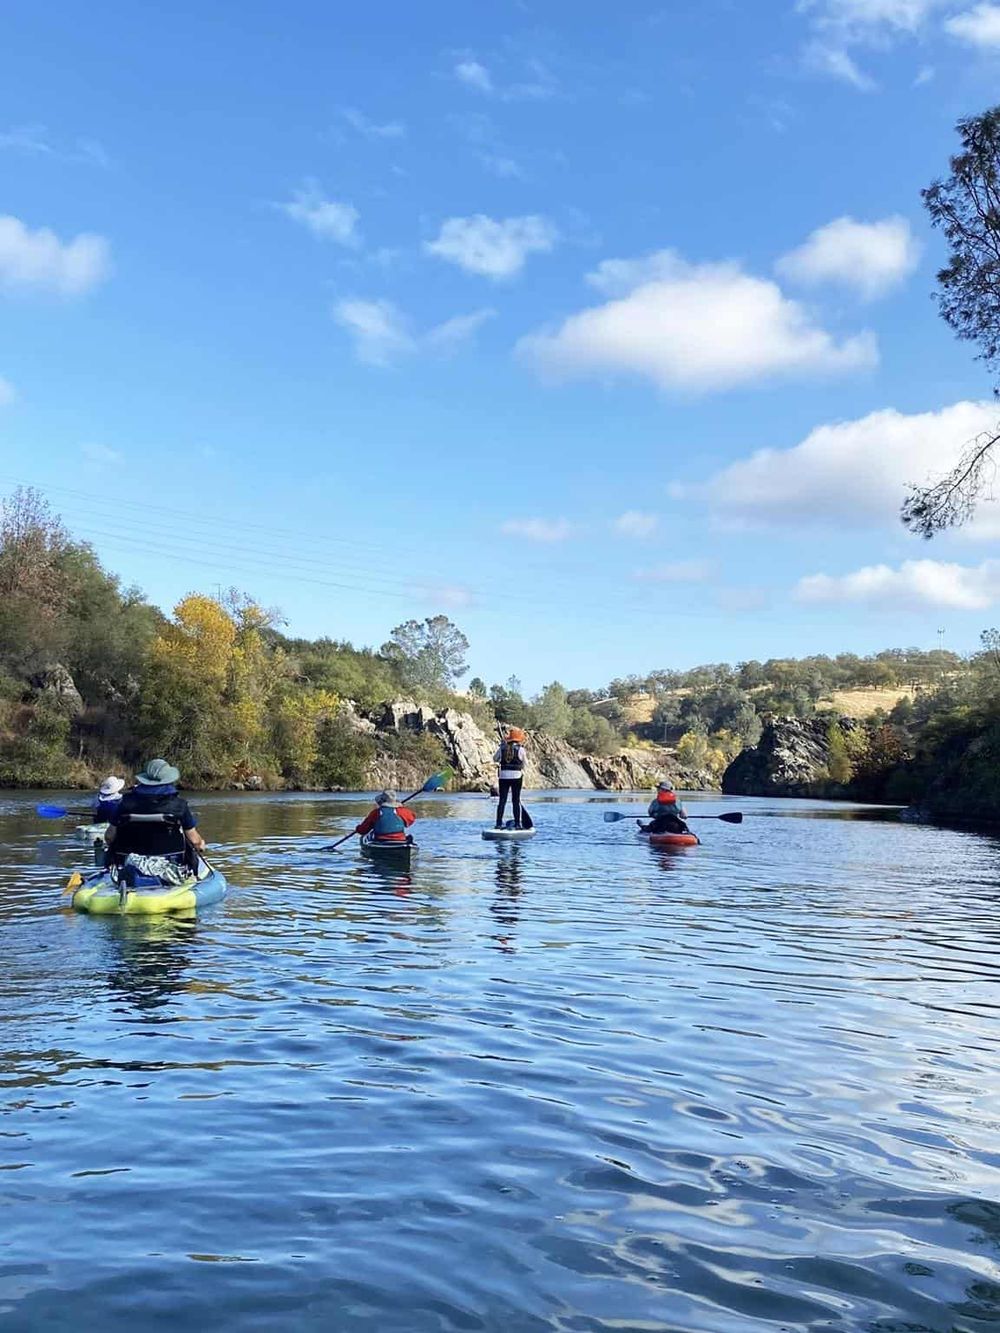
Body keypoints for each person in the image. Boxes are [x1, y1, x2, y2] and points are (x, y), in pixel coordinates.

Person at [104, 758, 206, 869]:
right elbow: (195, 841)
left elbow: (109, 837)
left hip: (128, 861)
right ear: (168, 780)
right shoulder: (179, 806)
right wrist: (200, 845)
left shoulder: (124, 804)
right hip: (172, 862)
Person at [494, 727, 527, 829]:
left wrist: (501, 747)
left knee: (502, 801)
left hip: (503, 777)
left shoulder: (502, 748)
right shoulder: (521, 750)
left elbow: (495, 759)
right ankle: (517, 824)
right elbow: (525, 764)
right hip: (516, 777)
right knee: (515, 801)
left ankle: (498, 823)